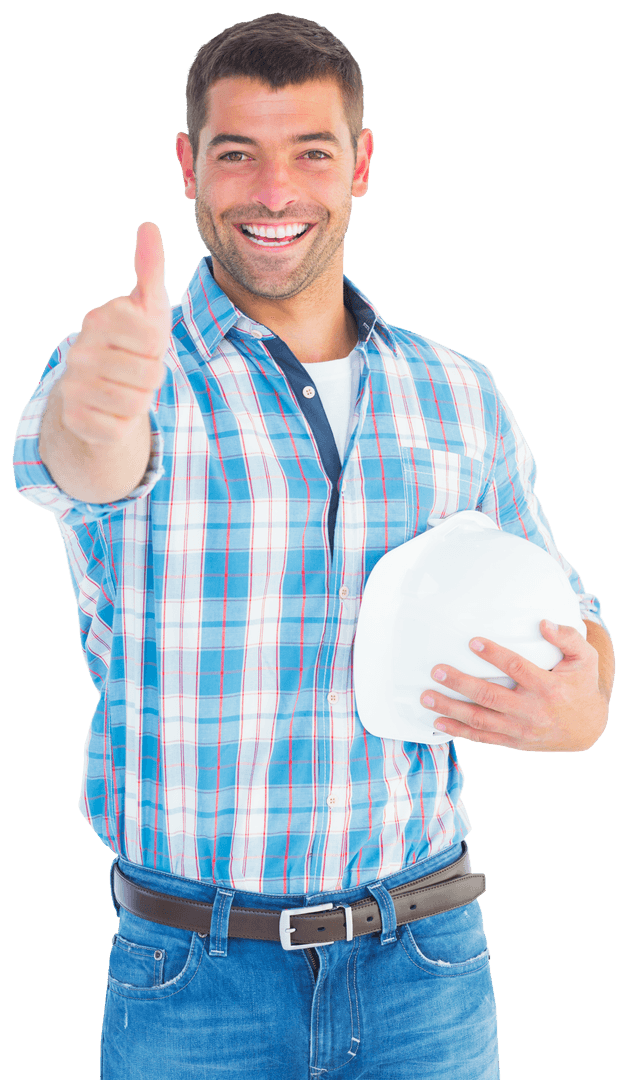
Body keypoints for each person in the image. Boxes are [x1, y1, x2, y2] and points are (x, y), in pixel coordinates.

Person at [12, 12, 614, 1080]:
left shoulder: (458, 392)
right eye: (237, 153)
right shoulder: (125, 371)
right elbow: (85, 462)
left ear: (361, 167)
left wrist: (584, 702)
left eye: (311, 153)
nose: (274, 192)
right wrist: (96, 412)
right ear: (191, 167)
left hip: (425, 960)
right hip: (192, 979)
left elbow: (565, 612)